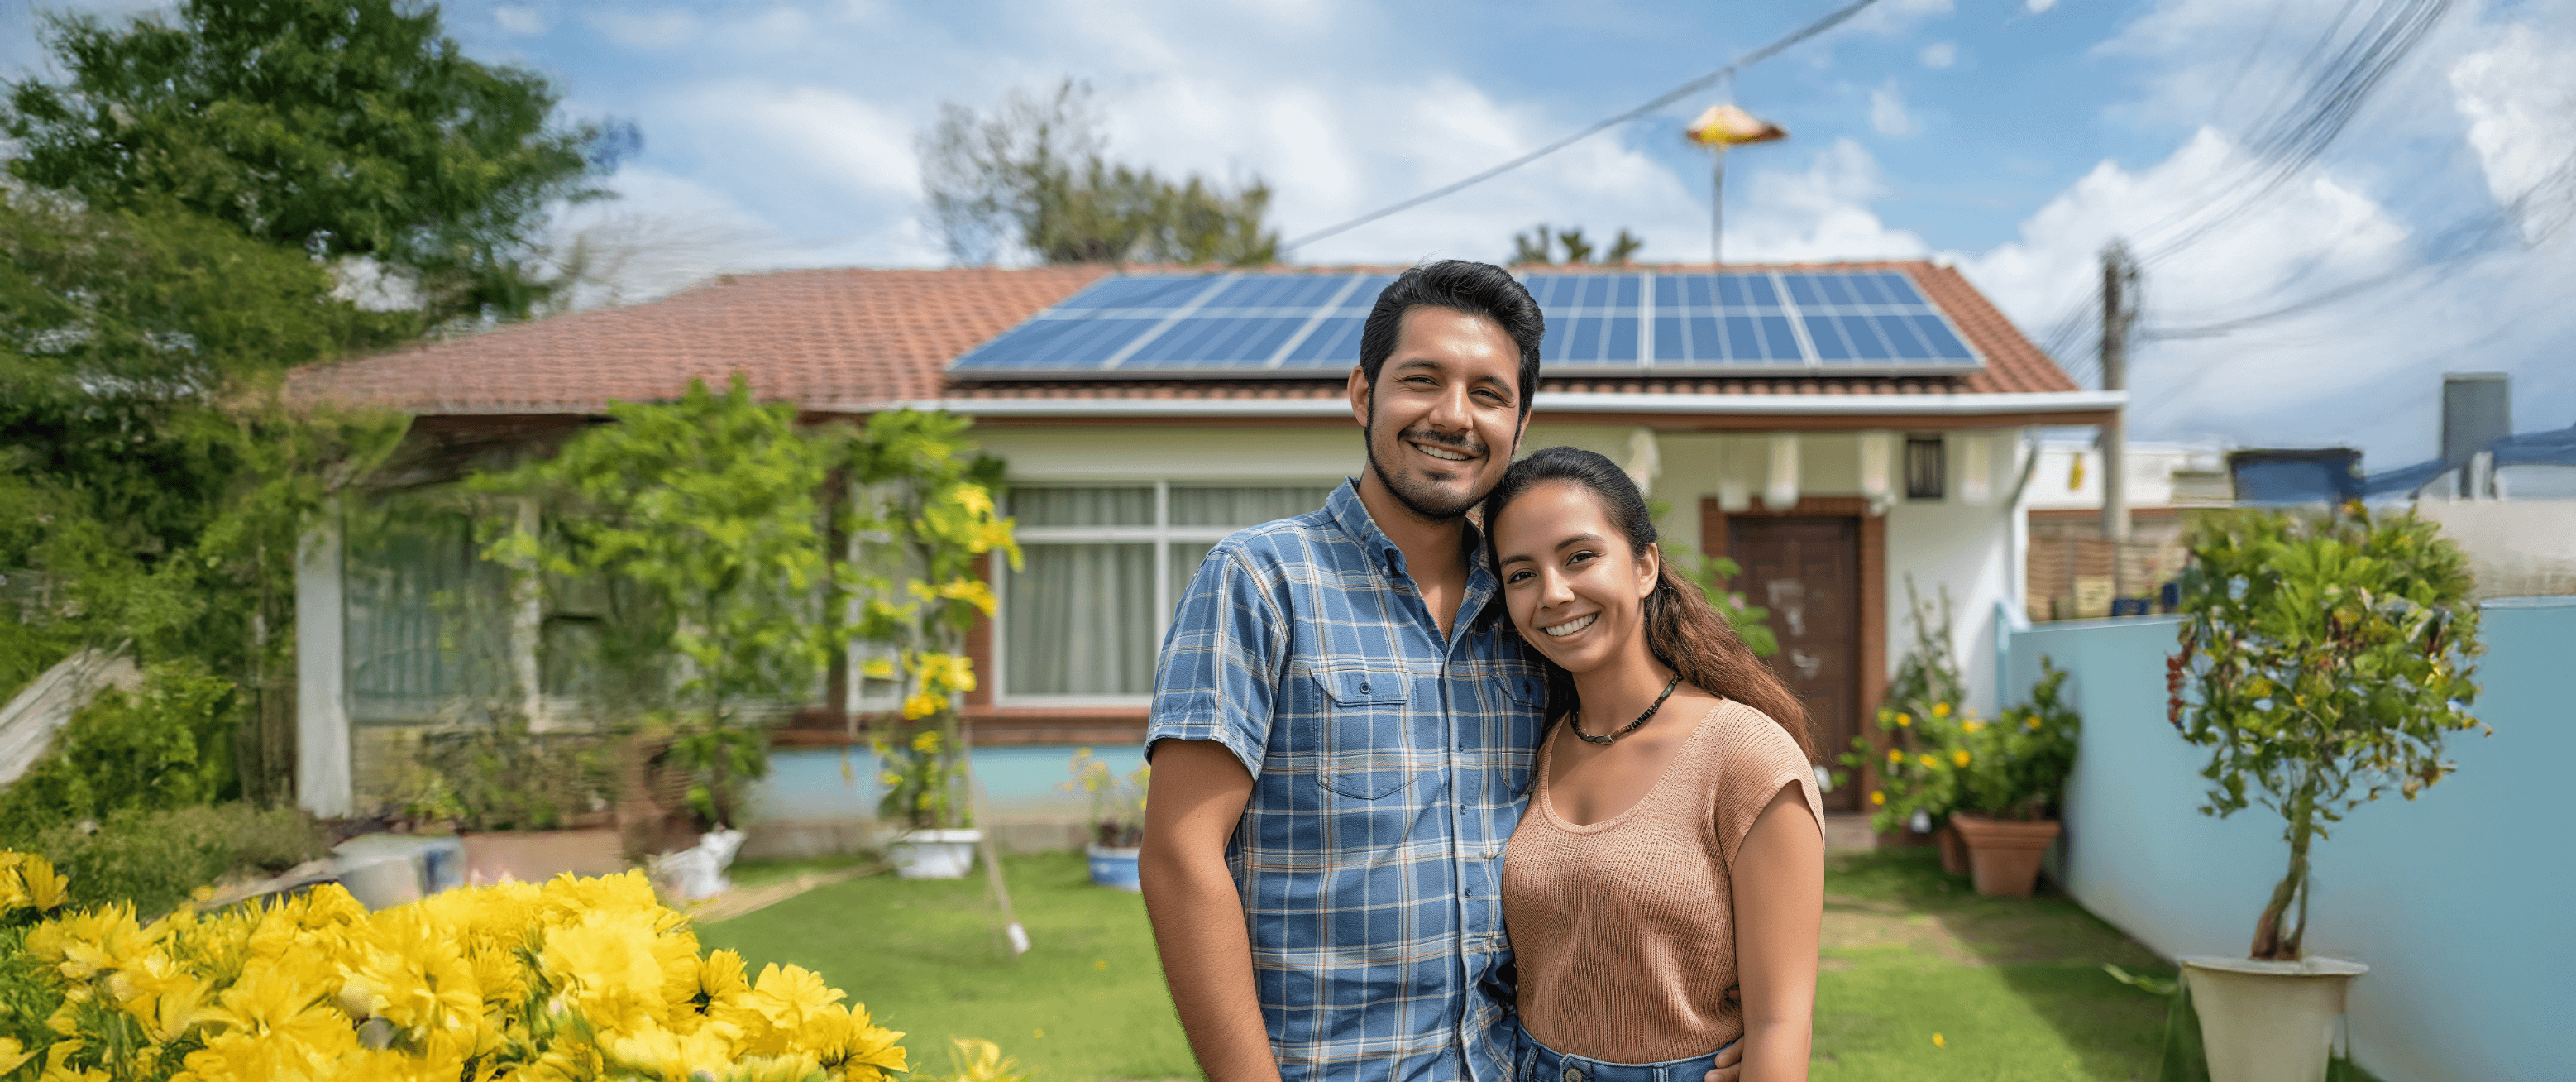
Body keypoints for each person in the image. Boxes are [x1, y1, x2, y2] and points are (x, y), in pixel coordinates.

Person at [1136, 260, 1546, 1082]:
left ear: (1520, 422)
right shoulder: (1260, 581)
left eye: (1488, 393)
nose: (1453, 416)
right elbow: (1182, 856)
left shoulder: (1531, 608)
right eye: (1422, 380)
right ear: (1362, 393)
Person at [1483, 446, 1826, 1082]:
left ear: (1644, 565)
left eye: (1579, 557)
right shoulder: (1531, 746)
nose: (1553, 593)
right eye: (1521, 574)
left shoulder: (1747, 757)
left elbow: (1782, 1021)